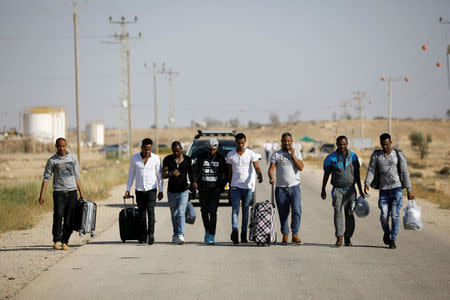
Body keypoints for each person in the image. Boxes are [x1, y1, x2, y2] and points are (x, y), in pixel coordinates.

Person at [364, 133, 414, 249]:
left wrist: (409, 190)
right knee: (384, 216)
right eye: (382, 145)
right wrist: (367, 182)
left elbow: (405, 172)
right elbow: (371, 169)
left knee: (395, 216)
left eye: (386, 144)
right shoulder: (377, 155)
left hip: (397, 189)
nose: (385, 147)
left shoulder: (398, 154)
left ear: (390, 143)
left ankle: (392, 239)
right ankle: (386, 231)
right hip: (384, 191)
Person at [39, 137, 85, 251]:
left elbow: (77, 177)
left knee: (70, 218)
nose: (61, 148)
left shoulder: (73, 158)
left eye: (63, 146)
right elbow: (46, 178)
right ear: (56, 146)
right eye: (59, 146)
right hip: (59, 192)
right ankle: (57, 240)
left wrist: (81, 192)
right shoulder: (52, 161)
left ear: (66, 146)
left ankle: (65, 241)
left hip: (72, 192)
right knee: (58, 215)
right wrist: (42, 194)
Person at [321, 136, 364, 247]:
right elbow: (326, 175)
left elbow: (357, 175)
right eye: (340, 144)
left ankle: (348, 237)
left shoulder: (353, 157)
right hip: (337, 190)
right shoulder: (331, 158)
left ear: (347, 143)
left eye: (344, 144)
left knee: (350, 213)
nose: (342, 146)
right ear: (336, 144)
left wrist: (360, 190)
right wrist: (323, 189)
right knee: (338, 212)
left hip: (351, 190)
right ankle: (339, 237)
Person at [124, 138, 163, 245]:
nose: (148, 152)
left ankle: (151, 234)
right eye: (146, 149)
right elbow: (131, 175)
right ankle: (142, 236)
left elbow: (159, 176)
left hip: (151, 190)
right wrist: (128, 189)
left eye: (150, 149)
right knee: (141, 214)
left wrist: (161, 190)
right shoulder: (134, 159)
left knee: (151, 212)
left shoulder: (155, 158)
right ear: (141, 148)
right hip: (139, 190)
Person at [268, 132, 304, 245]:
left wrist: (293, 156)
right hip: (281, 189)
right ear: (281, 141)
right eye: (284, 141)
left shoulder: (297, 153)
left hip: (294, 187)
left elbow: (301, 167)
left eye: (288, 141)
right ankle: (285, 235)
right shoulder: (276, 155)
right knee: (283, 213)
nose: (286, 143)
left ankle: (295, 234)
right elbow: (271, 169)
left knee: (297, 211)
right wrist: (271, 177)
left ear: (292, 141)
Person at [227, 133, 263, 244]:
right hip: (235, 186)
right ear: (235, 142)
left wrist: (259, 174)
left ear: (245, 142)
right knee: (235, 209)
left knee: (246, 210)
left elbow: (256, 166)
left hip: (247, 187)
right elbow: (230, 172)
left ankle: (243, 233)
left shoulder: (250, 153)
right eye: (239, 143)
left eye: (243, 143)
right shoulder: (231, 155)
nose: (241, 145)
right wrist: (229, 187)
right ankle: (235, 231)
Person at [192, 139, 227, 245]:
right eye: (210, 149)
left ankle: (212, 234)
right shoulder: (201, 157)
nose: (212, 151)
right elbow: (195, 171)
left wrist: (220, 186)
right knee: (204, 211)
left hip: (215, 190)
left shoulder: (220, 158)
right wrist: (194, 181)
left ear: (216, 149)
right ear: (207, 148)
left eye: (214, 149)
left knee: (213, 212)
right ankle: (207, 231)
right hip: (203, 189)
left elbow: (225, 174)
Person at [163, 141, 193, 245]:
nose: (176, 153)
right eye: (174, 151)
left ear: (181, 149)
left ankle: (181, 234)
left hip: (183, 190)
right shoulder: (167, 159)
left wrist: (193, 184)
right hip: (171, 191)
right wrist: (171, 173)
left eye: (178, 151)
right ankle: (175, 234)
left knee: (181, 212)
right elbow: (163, 174)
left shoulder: (187, 160)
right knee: (174, 214)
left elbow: (191, 173)